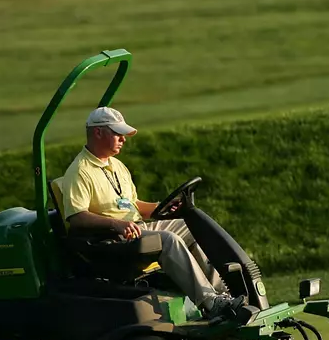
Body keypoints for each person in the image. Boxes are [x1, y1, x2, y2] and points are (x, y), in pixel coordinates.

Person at [60, 106, 244, 319]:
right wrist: (115, 224)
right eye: (117, 133)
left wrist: (162, 208)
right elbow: (76, 217)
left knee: (191, 227)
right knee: (169, 240)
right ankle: (210, 303)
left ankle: (222, 296)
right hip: (111, 240)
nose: (123, 139)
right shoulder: (79, 171)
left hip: (135, 228)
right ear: (98, 133)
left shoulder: (117, 166)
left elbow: (132, 204)